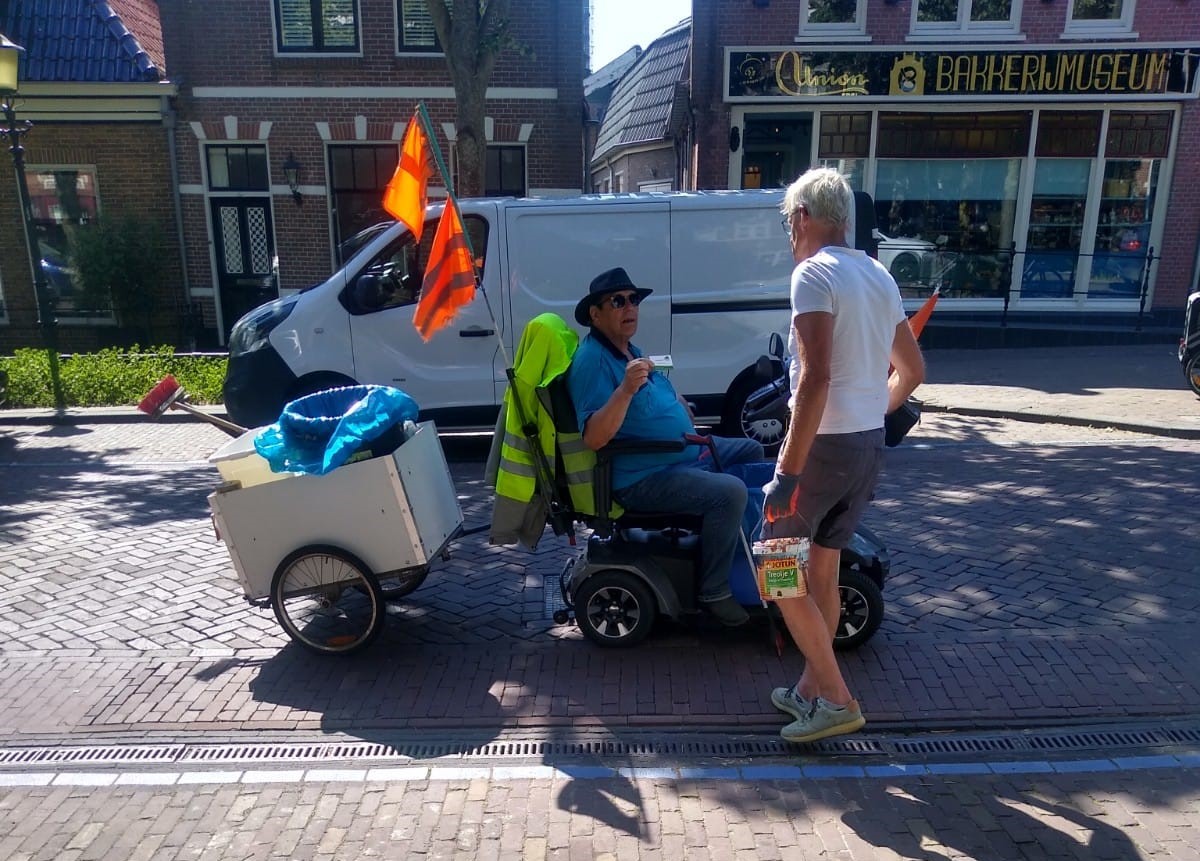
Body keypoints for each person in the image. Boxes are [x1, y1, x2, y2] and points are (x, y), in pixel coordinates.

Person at [763, 168, 925, 743]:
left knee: (777, 569)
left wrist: (786, 473)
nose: (789, 233)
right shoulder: (878, 275)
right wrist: (870, 413)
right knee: (824, 570)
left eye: (788, 221)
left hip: (822, 451)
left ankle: (836, 699)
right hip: (866, 446)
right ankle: (810, 688)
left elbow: (812, 380)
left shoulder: (813, 273)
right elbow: (913, 372)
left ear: (804, 217)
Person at [567, 266, 765, 627]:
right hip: (644, 476)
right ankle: (715, 590)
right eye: (618, 301)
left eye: (634, 300)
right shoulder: (592, 362)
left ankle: (738, 550)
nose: (630, 307)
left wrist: (680, 409)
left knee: (752, 451)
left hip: (685, 451)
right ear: (595, 314)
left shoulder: (628, 349)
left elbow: (663, 389)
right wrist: (625, 390)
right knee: (732, 492)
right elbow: (594, 437)